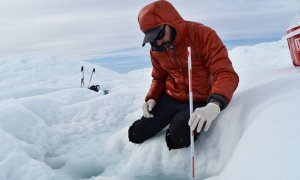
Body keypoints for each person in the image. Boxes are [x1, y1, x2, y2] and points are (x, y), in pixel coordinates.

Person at [128, 0, 239, 150]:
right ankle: (171, 118)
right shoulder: (156, 49)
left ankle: (179, 124)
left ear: (171, 22)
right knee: (136, 134)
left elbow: (225, 73)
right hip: (172, 96)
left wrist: (215, 104)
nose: (158, 42)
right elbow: (159, 77)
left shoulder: (203, 35)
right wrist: (152, 98)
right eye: (152, 38)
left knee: (177, 138)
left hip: (199, 99)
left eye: (159, 34)